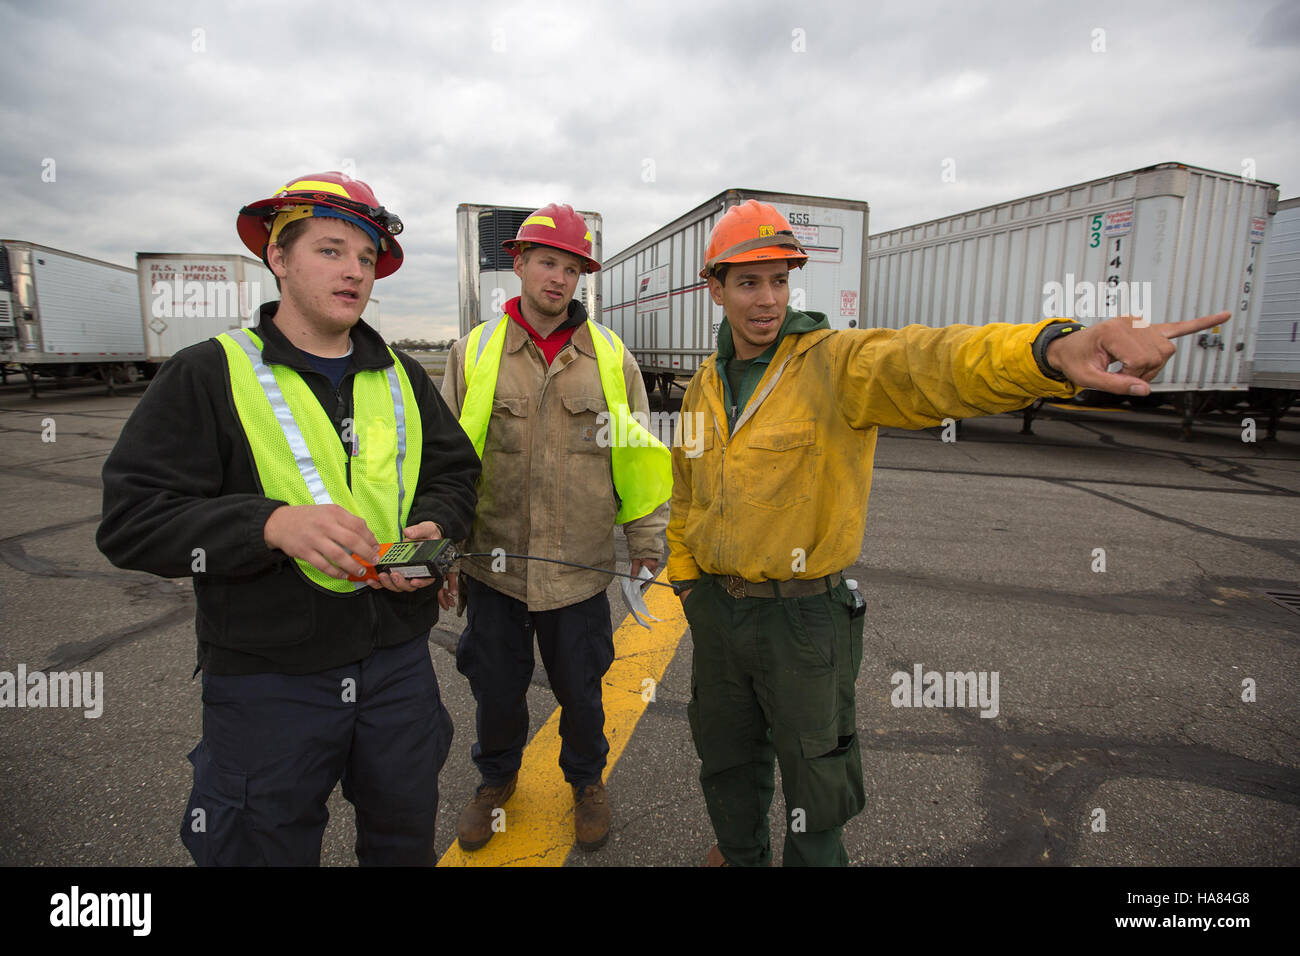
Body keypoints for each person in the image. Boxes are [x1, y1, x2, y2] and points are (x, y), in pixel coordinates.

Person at [667, 200, 1229, 867]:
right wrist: (685, 575)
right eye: (749, 282)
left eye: (780, 280)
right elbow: (688, 490)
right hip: (717, 610)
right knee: (726, 756)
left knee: (817, 781)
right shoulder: (703, 384)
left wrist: (1050, 350)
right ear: (716, 287)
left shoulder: (836, 365)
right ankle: (737, 853)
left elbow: (936, 363)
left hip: (804, 619)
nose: (767, 299)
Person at [96, 171, 481, 866]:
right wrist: (268, 526)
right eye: (332, 250)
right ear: (278, 258)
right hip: (268, 681)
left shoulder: (401, 375)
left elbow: (454, 474)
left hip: (397, 665)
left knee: (403, 841)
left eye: (366, 259)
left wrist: (435, 527)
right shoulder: (207, 374)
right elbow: (132, 520)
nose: (355, 272)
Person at [439, 203, 671, 852]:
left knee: (584, 692)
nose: (559, 278)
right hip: (496, 571)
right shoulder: (473, 353)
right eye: (548, 262)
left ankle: (586, 781)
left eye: (572, 268)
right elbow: (448, 465)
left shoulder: (610, 358)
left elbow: (637, 458)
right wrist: (444, 558)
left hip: (578, 572)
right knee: (496, 691)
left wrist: (647, 542)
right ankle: (495, 783)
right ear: (518, 264)